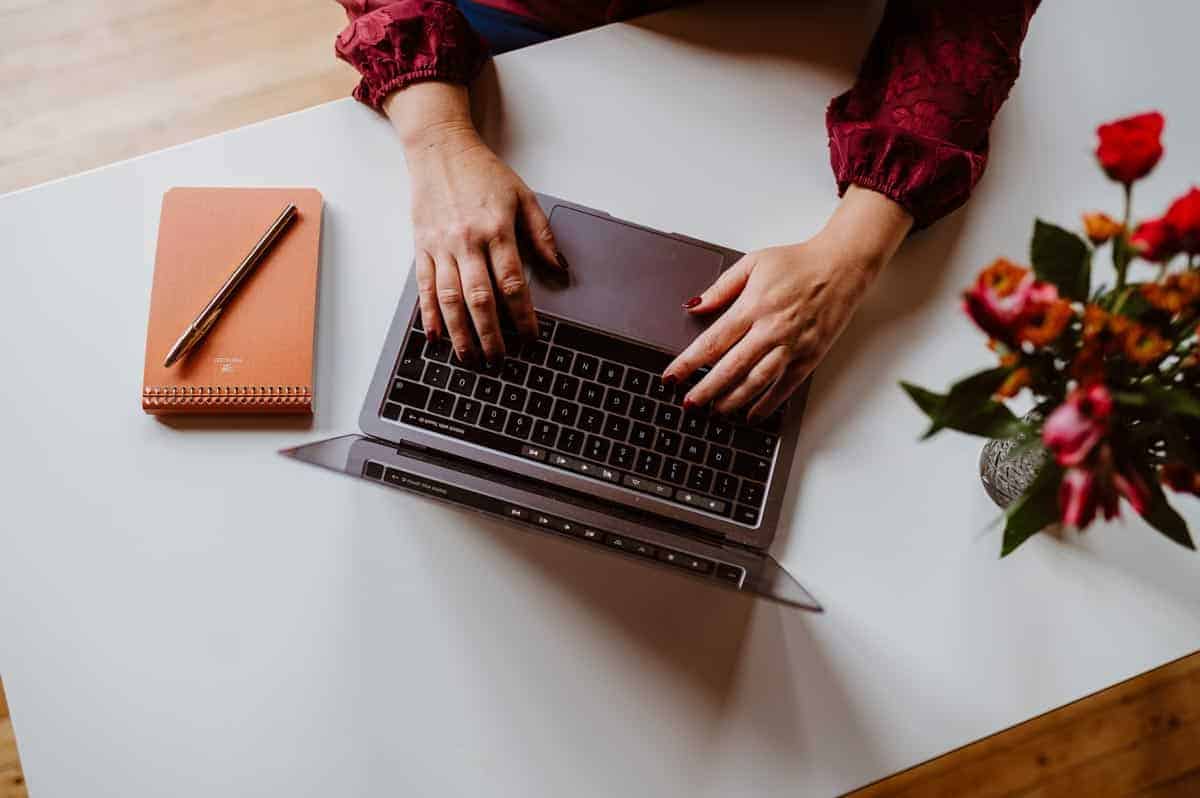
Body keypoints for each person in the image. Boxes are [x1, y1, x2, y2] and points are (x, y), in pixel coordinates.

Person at [334, 0, 1040, 421]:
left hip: (779, 41)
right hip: (513, 29)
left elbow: (970, 16)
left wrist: (853, 252)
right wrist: (437, 137)